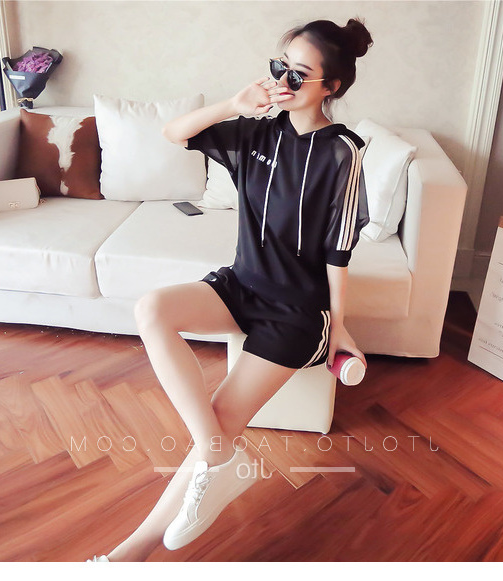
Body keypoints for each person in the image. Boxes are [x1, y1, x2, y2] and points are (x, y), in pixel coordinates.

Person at [88, 17, 373, 562]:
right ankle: (220, 456)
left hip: (296, 314)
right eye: (279, 67)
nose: (283, 81)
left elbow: (339, 251)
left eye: (300, 74)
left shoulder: (343, 151)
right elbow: (174, 133)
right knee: (153, 310)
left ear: (330, 87)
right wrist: (231, 104)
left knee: (219, 417)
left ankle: (130, 555)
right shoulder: (257, 131)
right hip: (242, 285)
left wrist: (340, 328)